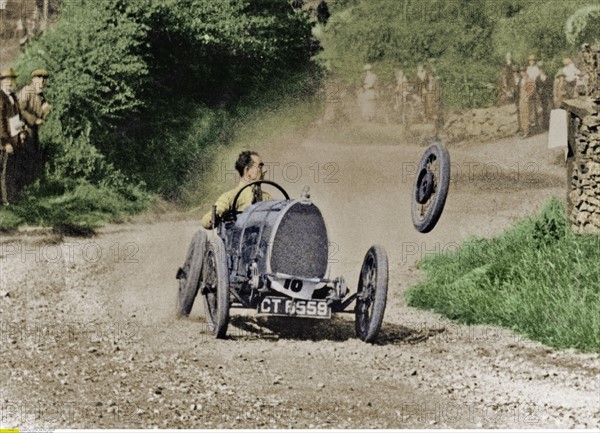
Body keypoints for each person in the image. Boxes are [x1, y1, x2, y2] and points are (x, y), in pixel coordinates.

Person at [200, 151, 271, 229]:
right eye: (260, 166)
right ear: (247, 171)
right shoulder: (230, 196)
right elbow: (211, 216)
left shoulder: (267, 198)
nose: (265, 170)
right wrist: (211, 218)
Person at [18, 68, 51, 186]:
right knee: (23, 159)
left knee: (32, 158)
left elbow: (41, 116)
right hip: (22, 130)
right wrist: (34, 119)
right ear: (33, 79)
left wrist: (45, 112)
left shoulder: (41, 96)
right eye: (39, 77)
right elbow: (20, 110)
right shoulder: (27, 91)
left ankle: (28, 188)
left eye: (44, 78)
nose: (41, 81)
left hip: (33, 131)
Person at [0, 67, 26, 205]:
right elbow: (0, 122)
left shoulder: (13, 97)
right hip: (5, 142)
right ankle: (5, 200)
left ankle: (11, 197)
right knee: (5, 171)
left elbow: (17, 117)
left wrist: (22, 132)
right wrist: (5, 142)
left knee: (12, 170)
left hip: (15, 139)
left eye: (12, 80)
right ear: (1, 82)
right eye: (6, 80)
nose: (9, 83)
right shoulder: (0, 97)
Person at [517, 66, 533, 138]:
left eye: (523, 71)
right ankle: (524, 130)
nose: (522, 73)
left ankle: (526, 131)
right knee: (522, 114)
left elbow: (532, 89)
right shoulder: (521, 80)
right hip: (521, 99)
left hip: (526, 99)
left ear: (526, 71)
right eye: (521, 72)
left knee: (526, 115)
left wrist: (527, 97)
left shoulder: (529, 79)